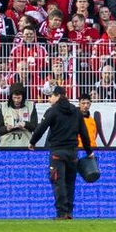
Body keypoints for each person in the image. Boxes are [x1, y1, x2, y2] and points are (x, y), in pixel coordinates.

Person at [30, 84, 93, 220]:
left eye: (51, 96)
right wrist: (89, 151)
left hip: (57, 152)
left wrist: (33, 142)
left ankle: (61, 213)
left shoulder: (53, 111)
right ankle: (69, 212)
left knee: (58, 182)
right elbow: (84, 133)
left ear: (58, 96)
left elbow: (41, 128)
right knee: (70, 183)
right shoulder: (76, 112)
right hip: (72, 153)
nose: (49, 99)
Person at [0, 81, 35, 148]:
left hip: (25, 144)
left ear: (23, 97)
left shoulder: (31, 106)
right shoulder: (3, 107)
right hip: (7, 144)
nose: (16, 100)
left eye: (19, 98)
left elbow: (35, 127)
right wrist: (7, 128)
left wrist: (25, 124)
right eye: (14, 98)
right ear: (11, 97)